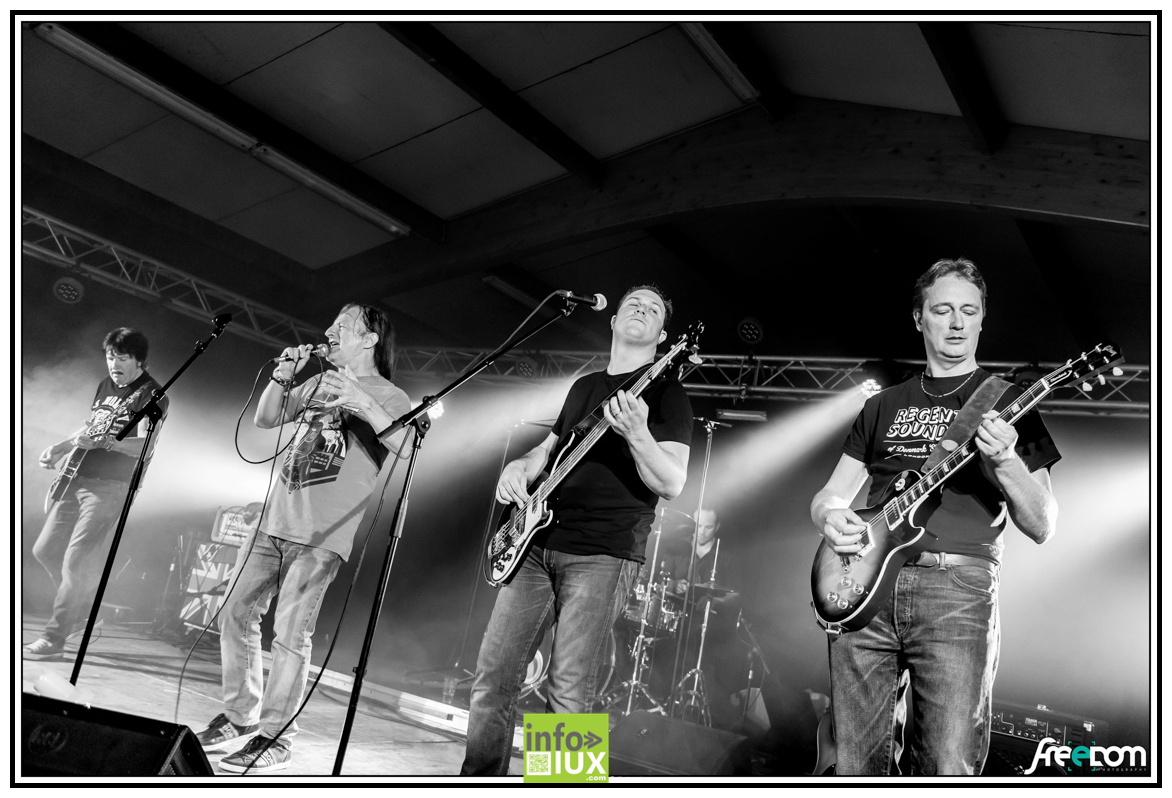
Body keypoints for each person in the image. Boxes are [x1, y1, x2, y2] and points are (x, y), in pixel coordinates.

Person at [810, 258, 1060, 775]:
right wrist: (830, 518)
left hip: (958, 588)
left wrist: (1006, 461)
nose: (956, 322)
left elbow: (1042, 523)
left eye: (969, 311)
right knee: (851, 765)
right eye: (942, 310)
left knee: (947, 764)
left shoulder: (1008, 403)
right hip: (867, 585)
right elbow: (831, 494)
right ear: (919, 319)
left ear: (982, 320)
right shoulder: (882, 405)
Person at [461, 285, 693, 775]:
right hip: (534, 543)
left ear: (664, 336)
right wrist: (520, 466)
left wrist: (637, 433)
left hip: (602, 554)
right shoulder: (584, 387)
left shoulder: (668, 394)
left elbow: (671, 481)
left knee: (567, 690)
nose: (642, 310)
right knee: (492, 678)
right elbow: (548, 450)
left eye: (654, 309)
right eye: (634, 303)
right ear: (612, 322)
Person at [196, 303, 411, 774]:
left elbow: (408, 445)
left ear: (370, 339)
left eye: (343, 327)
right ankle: (239, 717)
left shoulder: (390, 395)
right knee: (234, 612)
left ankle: (277, 736)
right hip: (273, 521)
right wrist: (282, 376)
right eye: (330, 323)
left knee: (292, 634)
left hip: (322, 534)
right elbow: (265, 420)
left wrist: (360, 401)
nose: (330, 331)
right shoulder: (317, 381)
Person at [26, 328, 168, 662]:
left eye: (121, 357)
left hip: (109, 488)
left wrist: (109, 443)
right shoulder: (105, 386)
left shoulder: (152, 394)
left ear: (139, 360)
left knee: (75, 561)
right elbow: (91, 425)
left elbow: (147, 447)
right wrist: (62, 447)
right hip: (77, 479)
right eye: (109, 356)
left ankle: (54, 638)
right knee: (44, 550)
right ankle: (83, 607)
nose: (113, 363)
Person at [660, 508, 744, 728]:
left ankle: (699, 721)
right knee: (668, 668)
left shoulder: (726, 557)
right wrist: (672, 585)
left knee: (707, 675)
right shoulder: (677, 549)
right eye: (698, 526)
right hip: (673, 624)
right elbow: (659, 582)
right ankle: (667, 714)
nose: (702, 532)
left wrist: (713, 601)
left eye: (708, 527)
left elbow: (736, 595)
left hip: (710, 631)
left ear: (717, 528)